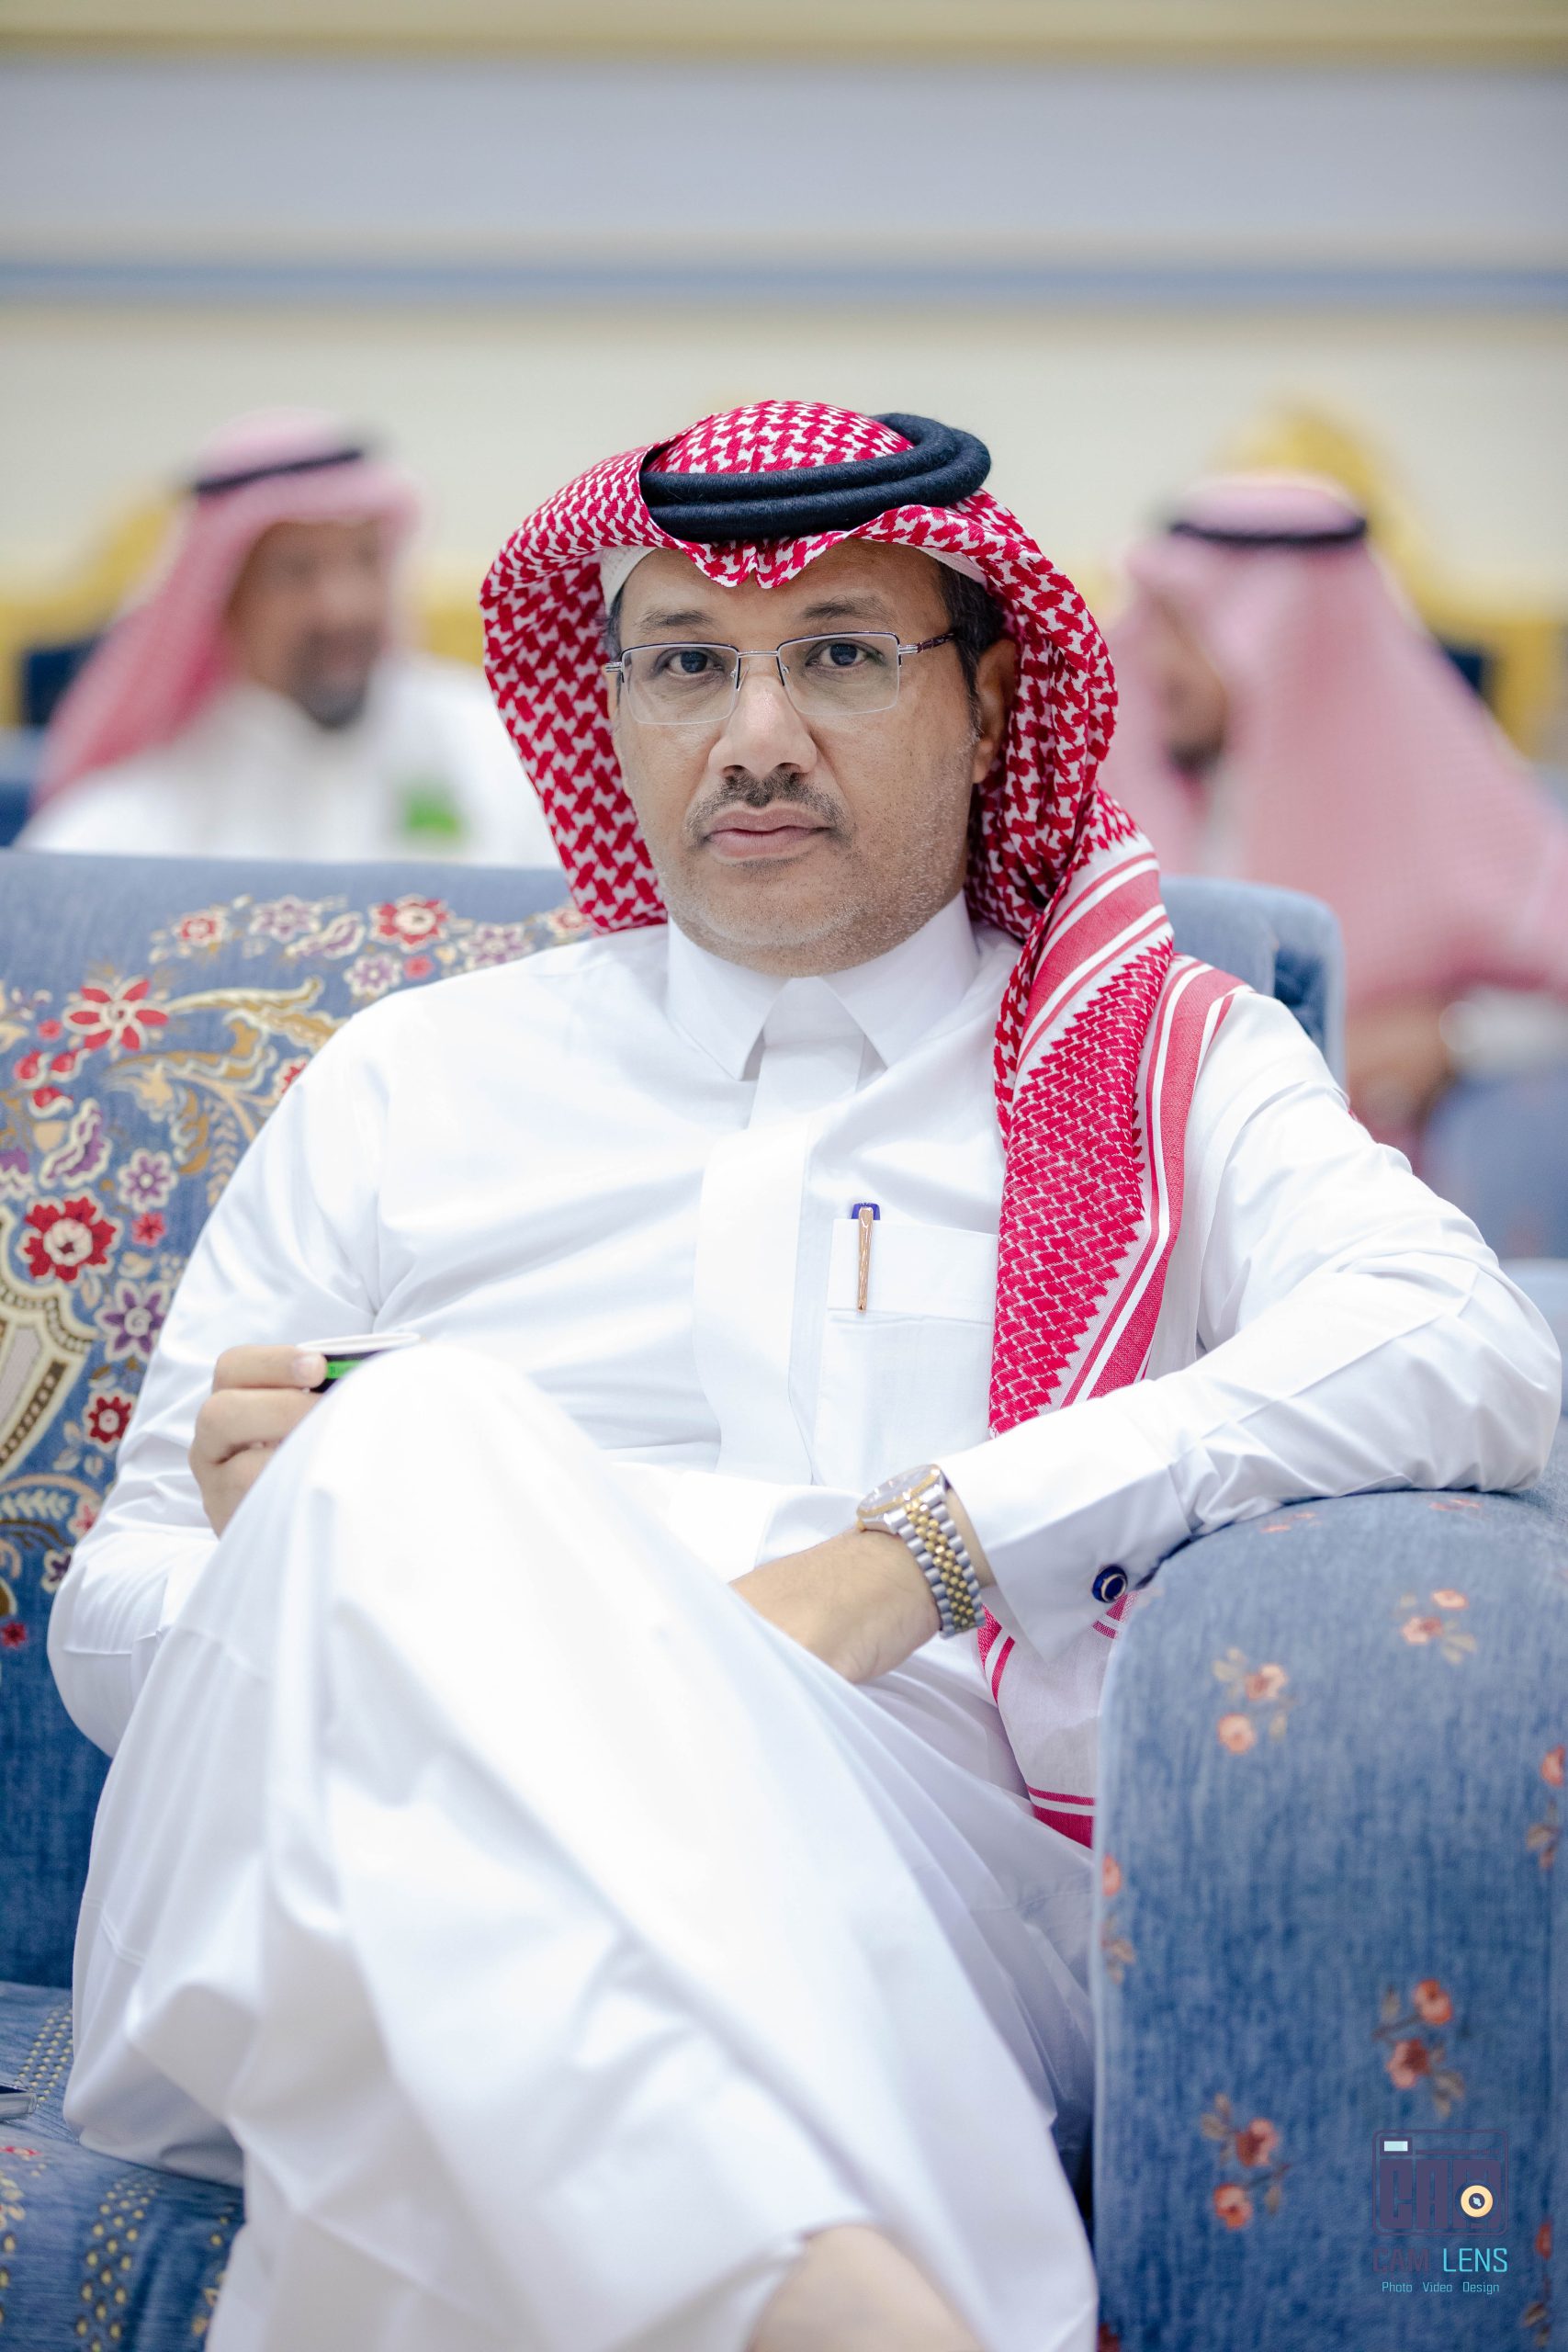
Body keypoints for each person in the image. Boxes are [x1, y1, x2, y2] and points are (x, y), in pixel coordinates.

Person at [50, 403, 1558, 2352]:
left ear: (987, 701)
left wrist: (920, 1550)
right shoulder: (407, 1085)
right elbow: (111, 1609)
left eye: (837, 654)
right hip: (309, 1827)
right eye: (686, 665)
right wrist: (327, 1566)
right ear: (612, 710)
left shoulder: (1150, 1062)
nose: (753, 734)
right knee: (408, 1446)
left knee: (408, 1485)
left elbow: (1462, 1342)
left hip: (888, 1874)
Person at [1099, 472, 1568, 1247]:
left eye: (1188, 629)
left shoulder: (1437, 785)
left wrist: (1452, 1037)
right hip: (1134, 1216)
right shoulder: (1115, 777)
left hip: (1358, 1222)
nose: (1158, 662)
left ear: (1281, 639)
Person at [21, 409, 561, 871]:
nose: (344, 606)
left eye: (366, 560)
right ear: (223, 598)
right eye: (295, 572)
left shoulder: (501, 745)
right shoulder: (138, 815)